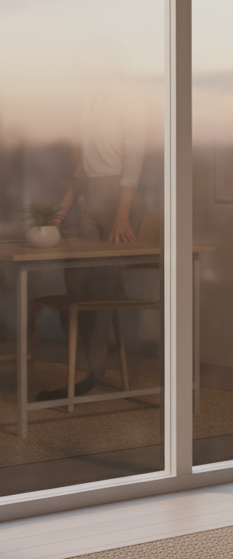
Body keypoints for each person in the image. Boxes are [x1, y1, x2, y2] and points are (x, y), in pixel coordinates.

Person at [36, 68, 146, 401]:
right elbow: (83, 168)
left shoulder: (129, 97)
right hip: (90, 198)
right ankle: (79, 367)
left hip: (118, 198)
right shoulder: (89, 100)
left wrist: (122, 215)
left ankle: (86, 371)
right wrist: (58, 215)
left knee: (95, 289)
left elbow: (133, 158)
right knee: (74, 287)